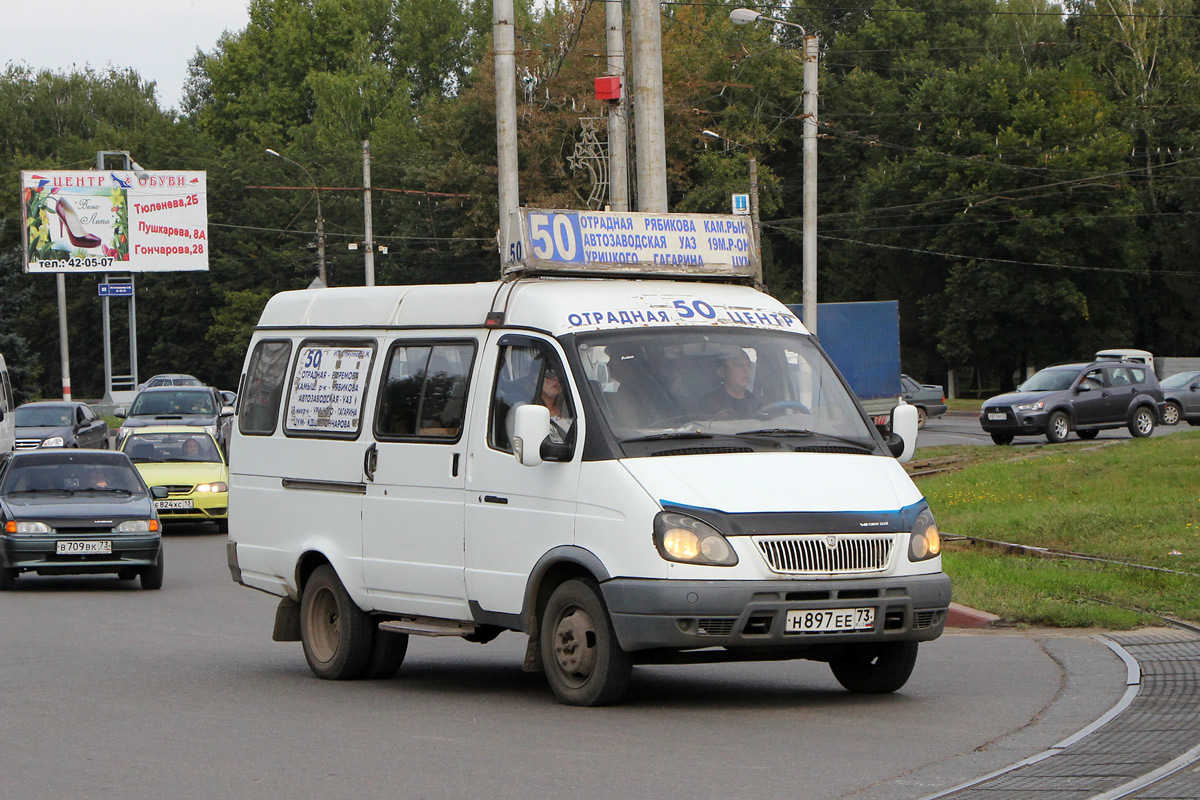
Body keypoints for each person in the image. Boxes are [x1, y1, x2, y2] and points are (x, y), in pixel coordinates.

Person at [702, 348, 761, 418]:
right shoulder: (708, 404)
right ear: (721, 371)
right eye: (739, 365)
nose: (746, 370)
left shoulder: (756, 401)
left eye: (748, 365)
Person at [537, 366, 573, 442]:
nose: (556, 379)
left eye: (561, 374)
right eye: (549, 372)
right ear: (535, 377)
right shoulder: (523, 411)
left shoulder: (574, 409)